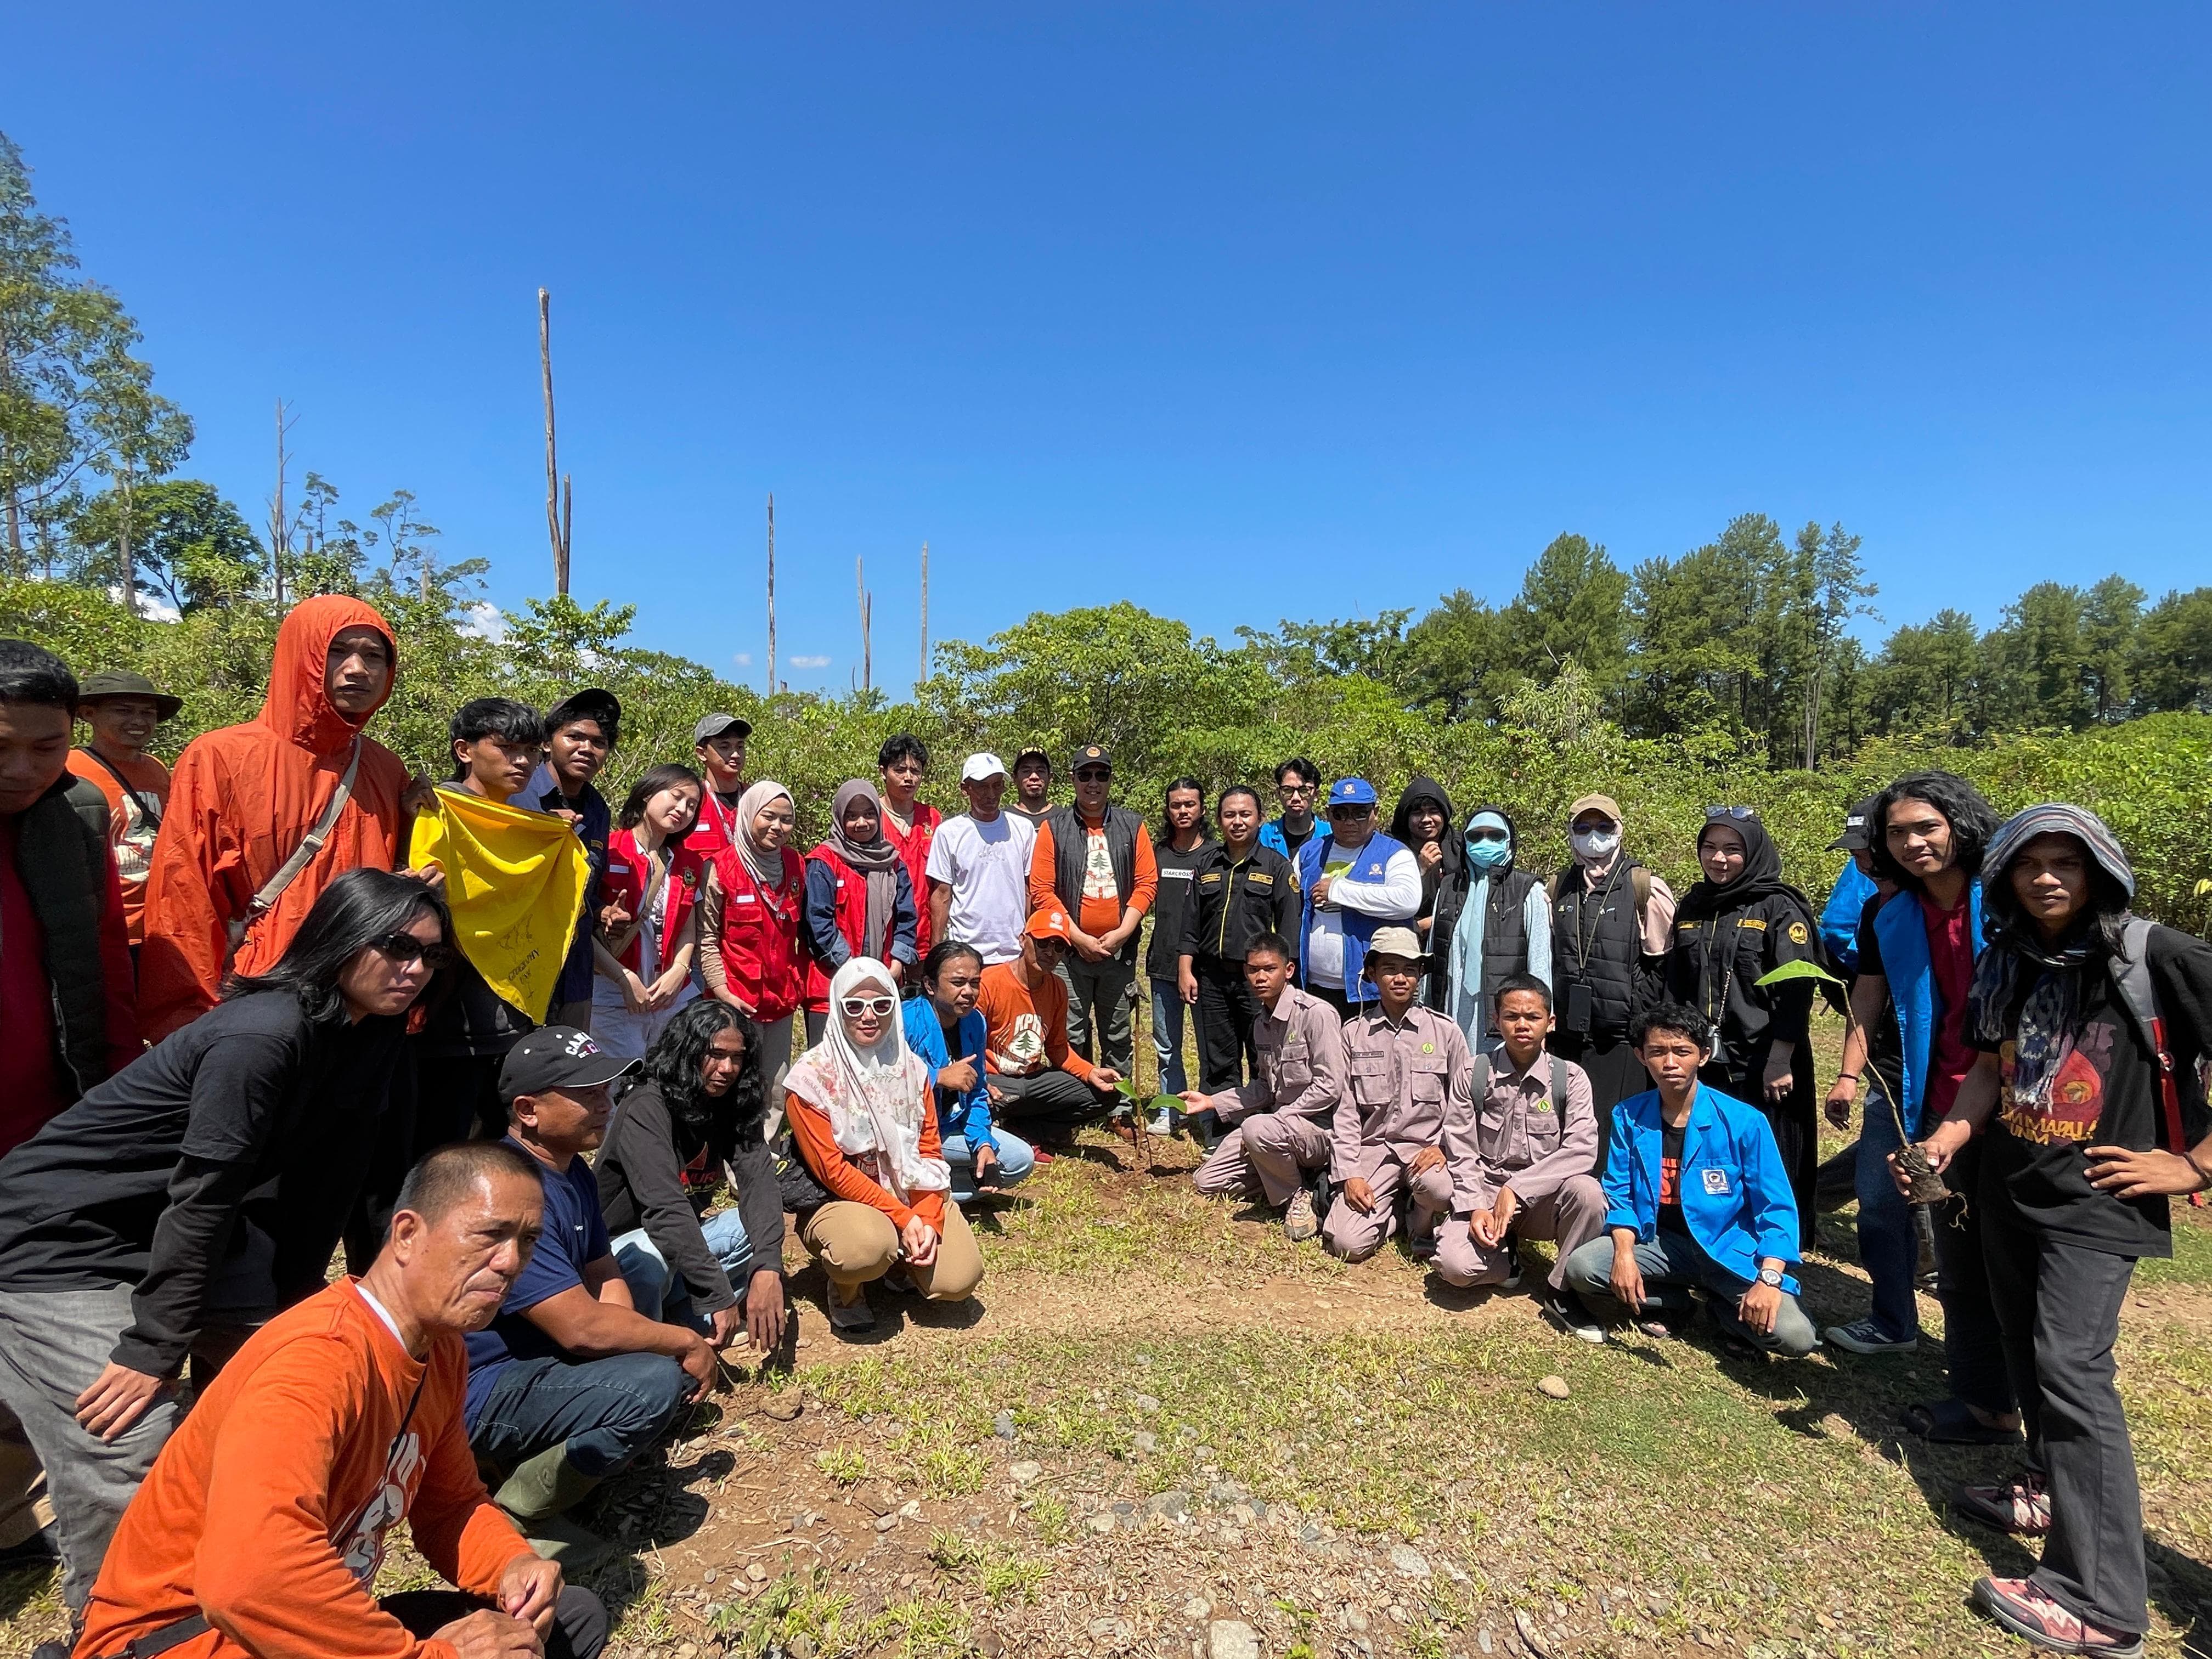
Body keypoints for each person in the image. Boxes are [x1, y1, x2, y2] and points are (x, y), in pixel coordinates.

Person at [0, 869, 447, 1616]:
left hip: (165, 1236)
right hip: (55, 1239)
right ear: (339, 938)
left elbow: (329, 1192)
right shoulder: (262, 1035)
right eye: (396, 946)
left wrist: (303, 1314)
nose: (414, 969)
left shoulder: (369, 1037)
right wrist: (153, 1347)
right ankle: (125, 1628)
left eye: (432, 956)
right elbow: (202, 1192)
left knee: (283, 1377)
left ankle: (237, 1561)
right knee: (130, 1441)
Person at [74, 1140, 608, 1659]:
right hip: (200, 1641)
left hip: (282, 1621)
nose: (510, 1261)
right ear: (406, 1234)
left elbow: (450, 1504)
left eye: (528, 1241)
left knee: (566, 1620)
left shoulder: (441, 1351)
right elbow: (247, 1583)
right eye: (490, 1235)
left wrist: (510, 1563)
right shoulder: (315, 1363)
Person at [1906, 805, 2212, 1658]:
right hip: (2012, 1187)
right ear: (2005, 875)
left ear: (2100, 870)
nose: (2047, 878)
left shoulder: (2155, 955)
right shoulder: (2011, 958)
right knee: (2027, 1351)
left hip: (2097, 1202)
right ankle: (2044, 1484)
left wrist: (2193, 1164)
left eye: (2066, 864)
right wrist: (1947, 1138)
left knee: (2073, 1372)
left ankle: (2099, 1600)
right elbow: (1989, 1076)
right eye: (2030, 864)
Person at [465, 1027, 710, 1565]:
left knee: (643, 1364)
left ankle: (548, 1456)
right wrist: (679, 1342)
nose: (607, 1104)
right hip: (479, 1391)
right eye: (587, 1094)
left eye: (607, 1089)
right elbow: (580, 1329)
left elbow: (604, 1269)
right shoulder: (510, 1191)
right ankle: (516, 1513)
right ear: (528, 1109)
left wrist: (627, 1344)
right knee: (653, 1386)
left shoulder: (569, 1168)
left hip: (539, 1356)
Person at [1821, 775, 2017, 1446]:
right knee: (1953, 1252)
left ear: (1960, 825)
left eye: (1926, 828)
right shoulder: (1889, 914)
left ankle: (2033, 1400)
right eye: (1898, 833)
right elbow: (1869, 994)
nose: (1912, 843)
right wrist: (1849, 1072)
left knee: (2014, 1256)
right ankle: (1983, 1397)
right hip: (1930, 1097)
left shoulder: (2011, 897)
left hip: (2024, 1104)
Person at [138, 596, 423, 1042]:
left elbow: (393, 884)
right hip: (265, 997)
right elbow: (184, 901)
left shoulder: (386, 768)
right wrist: (188, 1028)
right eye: (338, 651)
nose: (357, 669)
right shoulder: (220, 757)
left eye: (374, 655)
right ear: (302, 655)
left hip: (365, 1008)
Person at [1557, 1003, 1815, 1355]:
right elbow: (1618, 1192)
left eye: (1682, 1052)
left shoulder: (1744, 1122)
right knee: (1584, 1268)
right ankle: (1673, 1300)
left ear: (1704, 1056)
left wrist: (1770, 1277)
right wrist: (1624, 1251)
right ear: (1640, 1056)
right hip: (1663, 1245)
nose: (1670, 1063)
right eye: (1657, 1052)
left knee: (1796, 1337)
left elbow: (1777, 1207)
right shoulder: (1629, 1116)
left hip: (1729, 1249)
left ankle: (1724, 1309)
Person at [784, 958, 984, 1335]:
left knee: (958, 1280)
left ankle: (899, 1263)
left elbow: (929, 1150)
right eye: (854, 1006)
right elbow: (833, 1170)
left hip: (909, 1193)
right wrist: (905, 1219)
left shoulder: (913, 1070)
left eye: (881, 1005)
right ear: (837, 1008)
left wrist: (926, 1218)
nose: (869, 1016)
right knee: (865, 1249)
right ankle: (847, 1290)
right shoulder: (810, 1079)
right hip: (838, 1201)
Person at [0, 641, 137, 1160]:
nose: (22, 770)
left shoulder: (79, 814)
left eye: (46, 748)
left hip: (54, 1117)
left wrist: (118, 1083)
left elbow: (107, 955)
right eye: (1, 748)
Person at [1663, 807, 1822, 1249]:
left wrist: (1780, 1057)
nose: (1719, 859)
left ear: (1752, 853)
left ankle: (1776, 1249)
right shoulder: (1693, 906)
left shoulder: (1777, 906)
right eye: (1710, 848)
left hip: (1765, 1059)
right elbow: (1677, 983)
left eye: (1732, 850)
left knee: (1767, 1157)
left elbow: (1797, 985)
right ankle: (1713, 1240)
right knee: (1713, 1153)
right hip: (1710, 1060)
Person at [596, 1002, 787, 1353]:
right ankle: (647, 1349)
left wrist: (768, 1268)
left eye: (737, 1058)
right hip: (617, 1255)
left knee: (757, 1230)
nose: (727, 1069)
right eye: (714, 1055)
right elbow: (665, 1211)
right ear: (688, 1051)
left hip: (678, 1243)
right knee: (651, 1253)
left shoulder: (730, 1102)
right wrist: (717, 1292)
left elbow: (759, 1183)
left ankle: (685, 1321)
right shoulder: (646, 1105)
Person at [411, 699, 551, 1152]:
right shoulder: (437, 810)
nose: (523, 761)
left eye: (532, 750)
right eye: (507, 747)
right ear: (464, 750)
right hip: (451, 1023)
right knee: (445, 1154)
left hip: (510, 1016)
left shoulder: (523, 825)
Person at [1433, 976, 1604, 1308]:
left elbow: (1582, 1149)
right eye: (1511, 1017)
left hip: (1542, 1198)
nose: (1522, 1025)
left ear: (1550, 1023)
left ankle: (1563, 1286)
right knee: (1454, 1268)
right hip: (1486, 1192)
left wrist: (1518, 1189)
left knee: (1589, 1195)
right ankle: (1504, 1254)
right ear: (1496, 1021)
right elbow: (1460, 1147)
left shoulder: (1571, 1078)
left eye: (1533, 1017)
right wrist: (1475, 1206)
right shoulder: (1473, 1073)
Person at [1321, 927, 1471, 1263]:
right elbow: (1344, 1111)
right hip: (1373, 1151)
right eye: (1390, 969)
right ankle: (1394, 1213)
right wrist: (1350, 1173)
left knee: (1438, 1188)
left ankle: (1422, 1221)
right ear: (1372, 974)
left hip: (1425, 1152)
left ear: (1420, 976)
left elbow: (1465, 1105)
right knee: (1347, 1244)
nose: (1400, 978)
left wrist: (1444, 1146)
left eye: (1410, 970)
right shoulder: (1353, 1034)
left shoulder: (1446, 1032)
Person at [1180, 932, 1341, 1241]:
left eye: (1270, 969)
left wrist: (1279, 1120)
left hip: (1320, 1130)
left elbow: (1330, 1085)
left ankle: (1298, 1195)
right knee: (1208, 1181)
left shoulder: (1316, 1015)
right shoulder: (1261, 1023)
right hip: (1277, 1130)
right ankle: (1286, 1171)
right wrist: (1211, 1102)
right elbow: (1266, 1088)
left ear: (1289, 970)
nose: (1261, 977)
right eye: (1254, 970)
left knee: (1256, 1129)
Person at [1026, 744, 1158, 1079]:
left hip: (1119, 950)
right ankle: (1076, 1104)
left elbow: (1146, 884)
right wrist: (1078, 937)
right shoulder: (1053, 828)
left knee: (1117, 1031)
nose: (1093, 783)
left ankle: (1120, 1107)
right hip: (1068, 951)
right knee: (1069, 1030)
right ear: (1073, 780)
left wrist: (1122, 933)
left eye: (1101, 774)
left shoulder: (1133, 826)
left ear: (1111, 779)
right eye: (1085, 775)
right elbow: (1042, 890)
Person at [1546, 794, 1677, 1118]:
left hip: (1620, 1040)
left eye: (1604, 826)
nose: (1594, 835)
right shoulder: (1556, 887)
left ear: (1619, 831)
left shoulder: (1645, 887)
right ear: (1571, 833)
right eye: (1583, 827)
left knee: (1614, 1126)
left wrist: (1638, 1016)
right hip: (1566, 1036)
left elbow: (1662, 963)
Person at [1176, 786, 1301, 1097]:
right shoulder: (1206, 864)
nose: (1238, 821)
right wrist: (1185, 968)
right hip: (1212, 978)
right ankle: (1221, 1130)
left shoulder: (1276, 867)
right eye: (1230, 815)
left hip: (1256, 979)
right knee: (1219, 1059)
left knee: (1264, 1055)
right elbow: (1190, 922)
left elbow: (1289, 928)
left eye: (1245, 814)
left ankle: (1266, 1124)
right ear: (1219, 820)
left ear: (1260, 819)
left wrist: (1282, 976)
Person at [697, 780, 805, 1114]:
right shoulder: (720, 868)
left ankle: (766, 1160)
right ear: (748, 815)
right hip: (734, 998)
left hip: (780, 999)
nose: (777, 827)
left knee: (774, 1088)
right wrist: (722, 991)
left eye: (786, 819)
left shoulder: (797, 864)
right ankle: (720, 1163)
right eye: (768, 816)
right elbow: (707, 938)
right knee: (727, 1083)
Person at [902, 942, 1035, 1204]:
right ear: (930, 985)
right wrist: (937, 1077)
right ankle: (916, 1191)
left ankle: (930, 1193)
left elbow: (977, 1091)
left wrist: (983, 1142)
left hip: (949, 1128)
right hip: (911, 1134)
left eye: (975, 983)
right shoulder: (906, 1022)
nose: (968, 992)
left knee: (1019, 1160)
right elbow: (885, 1080)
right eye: (958, 982)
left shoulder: (975, 1021)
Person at [977, 904, 1122, 1144]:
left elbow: (1058, 1049)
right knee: (1006, 1095)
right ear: (1024, 940)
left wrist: (1091, 1072)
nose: (1050, 952)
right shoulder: (989, 983)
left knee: (1105, 1095)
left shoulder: (1058, 988)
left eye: (1059, 947)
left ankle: (1026, 1130)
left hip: (1032, 1081)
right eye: (1043, 943)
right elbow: (967, 1046)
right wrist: (982, 1081)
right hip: (994, 1080)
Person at [590, 764, 706, 1062]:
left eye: (692, 805)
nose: (683, 809)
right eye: (676, 796)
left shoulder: (688, 863)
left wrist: (679, 972)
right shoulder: (608, 849)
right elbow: (578, 929)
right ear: (647, 793)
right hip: (613, 996)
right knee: (619, 1086)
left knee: (668, 1082)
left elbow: (688, 929)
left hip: (672, 997)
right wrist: (623, 978)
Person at [525, 689, 619, 1031]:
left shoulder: (598, 811)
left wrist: (604, 912)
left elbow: (589, 893)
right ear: (548, 743)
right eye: (574, 736)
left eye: (599, 742)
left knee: (569, 1076)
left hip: (575, 973)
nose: (587, 749)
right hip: (521, 966)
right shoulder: (516, 795)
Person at [67, 668, 180, 951]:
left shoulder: (156, 769)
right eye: (123, 711)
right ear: (88, 713)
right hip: (103, 929)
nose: (138, 721)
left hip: (158, 926)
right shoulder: (68, 769)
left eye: (147, 713)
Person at [800, 780, 919, 1043]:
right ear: (840, 818)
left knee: (878, 1065)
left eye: (868, 814)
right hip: (830, 983)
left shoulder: (893, 863)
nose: (861, 823)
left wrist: (897, 964)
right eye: (851, 816)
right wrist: (853, 968)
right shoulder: (824, 862)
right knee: (829, 1070)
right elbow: (818, 922)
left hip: (883, 983)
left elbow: (907, 918)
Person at [1429, 806, 1552, 1053]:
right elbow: (1434, 952)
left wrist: (1540, 1024)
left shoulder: (1528, 890)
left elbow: (1540, 963)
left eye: (1494, 836)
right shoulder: (1449, 887)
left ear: (1508, 841)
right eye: (1476, 836)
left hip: (1506, 1020)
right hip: (1453, 1011)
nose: (1485, 842)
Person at [1296, 778, 1420, 1018]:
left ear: (1376, 812)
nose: (1350, 821)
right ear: (1328, 814)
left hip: (1371, 990)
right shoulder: (1309, 853)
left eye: (1360, 813)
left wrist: (1338, 891)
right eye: (1341, 813)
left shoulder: (1395, 853)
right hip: (1314, 988)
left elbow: (1408, 901)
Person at [924, 754, 1038, 967]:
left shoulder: (1023, 829)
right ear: (965, 788)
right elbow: (942, 895)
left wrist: (1030, 936)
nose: (991, 794)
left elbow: (1029, 888)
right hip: (966, 952)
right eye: (982, 787)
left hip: (1014, 951)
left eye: (997, 786)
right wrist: (936, 951)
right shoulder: (949, 833)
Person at [1145, 777, 1211, 1128]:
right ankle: (1170, 1109)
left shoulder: (1215, 855)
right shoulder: (1158, 853)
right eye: (1176, 805)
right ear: (1168, 810)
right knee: (1166, 1044)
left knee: (1207, 1046)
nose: (1183, 811)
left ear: (1202, 808)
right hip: (1162, 962)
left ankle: (1206, 1112)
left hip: (1204, 968)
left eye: (1190, 805)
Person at [876, 735, 942, 958]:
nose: (909, 778)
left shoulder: (932, 817)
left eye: (915, 771)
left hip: (924, 938)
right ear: (883, 772)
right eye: (900, 770)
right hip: (882, 936)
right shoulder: (869, 817)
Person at [1816, 796, 1887, 974]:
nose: (1865, 866)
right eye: (1856, 855)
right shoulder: (1874, 907)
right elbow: (1836, 925)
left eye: (1873, 852)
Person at [1387, 776, 1458, 951]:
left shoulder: (1459, 847)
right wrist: (1420, 869)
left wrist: (1433, 922)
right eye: (1418, 813)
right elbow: (1386, 899)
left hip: (1452, 936)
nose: (1427, 819)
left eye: (1434, 811)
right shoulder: (1390, 848)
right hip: (1402, 939)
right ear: (1406, 817)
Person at [685, 713, 753, 859]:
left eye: (740, 747)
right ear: (702, 754)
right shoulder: (689, 801)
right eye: (725, 746)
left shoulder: (755, 799)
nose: (735, 754)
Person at [1257, 758, 1321, 861]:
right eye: (1288, 790)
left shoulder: (1331, 834)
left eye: (1304, 791)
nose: (1296, 798)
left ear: (1316, 795)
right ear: (1279, 794)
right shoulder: (1265, 836)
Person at [1006, 746, 1054, 829]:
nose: (1034, 776)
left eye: (1040, 771)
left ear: (1050, 777)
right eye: (1026, 771)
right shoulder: (1004, 819)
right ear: (1014, 778)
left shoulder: (1064, 819)